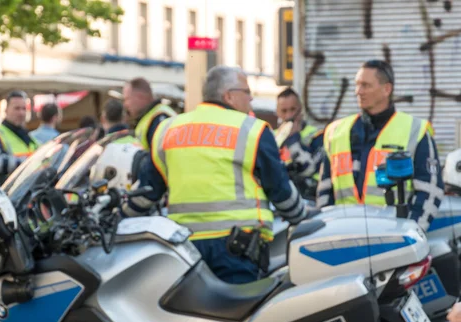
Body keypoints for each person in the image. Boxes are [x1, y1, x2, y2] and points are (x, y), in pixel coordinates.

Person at [122, 65, 307, 284]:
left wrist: (120, 217)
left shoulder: (167, 130)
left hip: (184, 250)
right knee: (242, 316)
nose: (250, 100)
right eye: (247, 92)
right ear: (229, 95)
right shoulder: (251, 130)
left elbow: (147, 193)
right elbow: (280, 191)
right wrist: (304, 217)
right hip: (238, 250)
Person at [317, 60, 444, 232]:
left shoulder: (416, 130)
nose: (358, 91)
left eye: (365, 85)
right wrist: (328, 231)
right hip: (344, 237)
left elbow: (430, 191)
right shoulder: (336, 132)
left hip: (391, 238)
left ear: (386, 89)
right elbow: (324, 191)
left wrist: (412, 233)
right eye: (357, 85)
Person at [0, 90, 38, 178]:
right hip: (4, 189)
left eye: (24, 109)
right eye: (17, 108)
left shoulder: (30, 137)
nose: (21, 113)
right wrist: (28, 163)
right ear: (6, 110)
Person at [275, 88, 323, 187]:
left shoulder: (316, 135)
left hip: (309, 193)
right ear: (277, 112)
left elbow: (309, 169)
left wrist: (293, 139)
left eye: (293, 109)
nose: (289, 116)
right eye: (284, 111)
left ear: (300, 109)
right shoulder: (273, 137)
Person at [122, 77, 177, 150]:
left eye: (127, 99)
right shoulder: (151, 117)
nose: (125, 104)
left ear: (140, 97)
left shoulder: (159, 118)